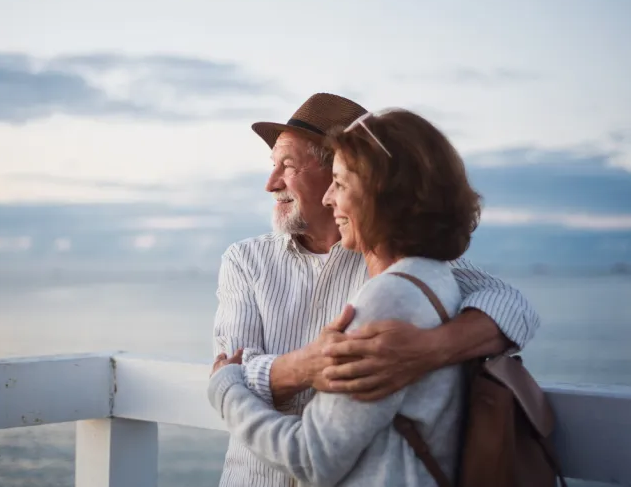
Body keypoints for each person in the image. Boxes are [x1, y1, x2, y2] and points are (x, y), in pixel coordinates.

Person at [212, 93, 540, 487]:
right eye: (272, 166)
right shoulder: (245, 260)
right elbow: (234, 367)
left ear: (347, 174)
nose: (271, 184)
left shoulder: (399, 264)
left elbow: (515, 308)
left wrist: (427, 349)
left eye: (288, 166)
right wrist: (306, 366)